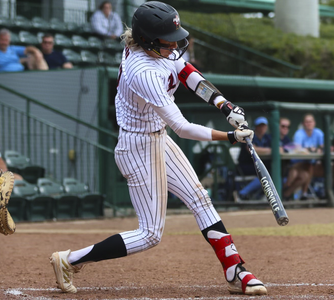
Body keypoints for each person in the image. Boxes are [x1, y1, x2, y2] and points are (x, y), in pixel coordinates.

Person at [50, 2, 267, 296]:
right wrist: (229, 136)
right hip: (137, 147)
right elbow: (183, 128)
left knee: (200, 198)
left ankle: (235, 269)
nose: (175, 43)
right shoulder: (143, 71)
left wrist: (224, 105)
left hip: (156, 137)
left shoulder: (159, 50)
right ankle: (69, 259)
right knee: (150, 234)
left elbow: (188, 72)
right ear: (148, 40)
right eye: (168, 37)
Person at [283, 114, 334, 200]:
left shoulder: (318, 132)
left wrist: (322, 148)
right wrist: (312, 149)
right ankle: (300, 194)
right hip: (298, 165)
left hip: (313, 165)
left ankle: (328, 194)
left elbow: (324, 146)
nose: (309, 124)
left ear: (314, 123)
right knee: (308, 167)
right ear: (303, 124)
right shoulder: (299, 133)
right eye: (306, 122)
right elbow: (298, 149)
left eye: (310, 121)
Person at [234, 116, 272, 201]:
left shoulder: (267, 137)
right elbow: (251, 149)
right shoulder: (248, 135)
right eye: (260, 126)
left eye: (264, 126)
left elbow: (279, 149)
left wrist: (267, 150)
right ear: (256, 127)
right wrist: (270, 150)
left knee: (272, 171)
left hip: (259, 165)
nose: (262, 128)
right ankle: (242, 194)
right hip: (245, 165)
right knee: (264, 174)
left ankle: (264, 196)